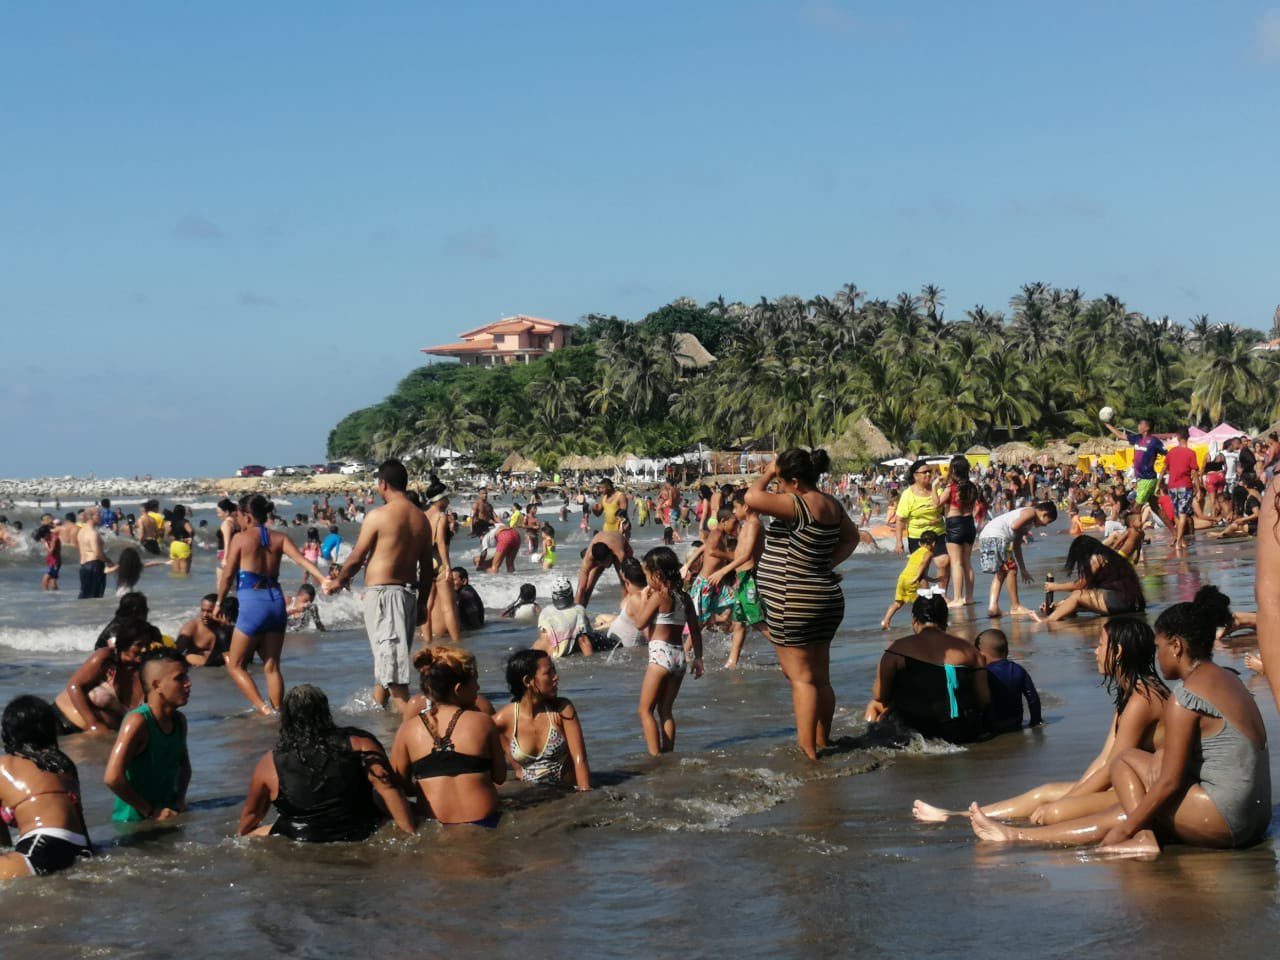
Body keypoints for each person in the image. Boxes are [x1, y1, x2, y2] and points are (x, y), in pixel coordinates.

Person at [968, 602, 1271, 854]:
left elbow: (1169, 784)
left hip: (1225, 819)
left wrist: (1127, 829)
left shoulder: (1185, 698)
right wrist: (1159, 756)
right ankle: (1013, 835)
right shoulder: (1231, 680)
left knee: (1124, 781)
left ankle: (1137, 838)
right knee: (1125, 804)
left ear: (1177, 646)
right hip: (1257, 818)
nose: (1157, 655)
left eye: (1160, 646)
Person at [914, 616, 1169, 825]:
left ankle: (971, 821)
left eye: (1101, 645)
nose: (1095, 651)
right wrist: (1074, 794)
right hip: (1125, 785)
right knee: (1044, 793)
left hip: (1141, 793)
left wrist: (1066, 803)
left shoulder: (1142, 700)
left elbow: (1113, 767)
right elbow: (1103, 761)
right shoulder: (1131, 695)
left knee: (1054, 813)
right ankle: (958, 816)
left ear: (1118, 651)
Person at [747, 449, 860, 760]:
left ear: (794, 481)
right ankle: (822, 740)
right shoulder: (832, 504)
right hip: (825, 597)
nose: (778, 487)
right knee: (820, 677)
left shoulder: (797, 503)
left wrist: (769, 471)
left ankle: (808, 751)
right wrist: (822, 563)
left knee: (801, 679)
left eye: (782, 482)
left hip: (792, 600)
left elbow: (752, 498)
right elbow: (852, 538)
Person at [237, 684, 415, 841]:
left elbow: (251, 815)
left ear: (287, 719)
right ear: (325, 712)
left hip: (301, 837)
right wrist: (409, 834)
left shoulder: (270, 762)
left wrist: (240, 838)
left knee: (252, 834)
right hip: (358, 830)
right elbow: (388, 787)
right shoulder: (360, 743)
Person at [327, 460, 434, 714]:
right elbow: (427, 569)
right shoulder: (421, 519)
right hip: (408, 594)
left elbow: (357, 556)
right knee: (388, 661)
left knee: (394, 672)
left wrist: (338, 581)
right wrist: (422, 603)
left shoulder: (379, 516)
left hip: (386, 596)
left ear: (383, 484)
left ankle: (416, 731)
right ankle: (380, 716)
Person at [217, 494, 330, 716]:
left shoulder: (241, 538)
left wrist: (219, 601)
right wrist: (322, 578)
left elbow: (228, 574)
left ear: (248, 516)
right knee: (272, 666)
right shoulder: (280, 537)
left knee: (235, 664)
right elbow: (302, 560)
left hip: (252, 603)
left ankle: (264, 709)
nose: (238, 520)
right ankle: (279, 711)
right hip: (276, 602)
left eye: (239, 515)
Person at [390, 647, 505, 826]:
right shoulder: (483, 722)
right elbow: (500, 776)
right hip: (486, 822)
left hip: (434, 825)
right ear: (458, 689)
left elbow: (397, 785)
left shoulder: (407, 730)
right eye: (474, 682)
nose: (478, 688)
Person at [866, 592, 990, 744]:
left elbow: (880, 695)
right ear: (945, 619)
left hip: (915, 732)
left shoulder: (897, 649)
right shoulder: (969, 650)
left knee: (874, 705)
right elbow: (984, 699)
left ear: (914, 620)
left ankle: (869, 740)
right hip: (961, 731)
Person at [0, 696, 93, 879]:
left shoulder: (3, 765)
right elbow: (78, 818)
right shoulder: (64, 765)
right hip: (79, 848)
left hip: (39, 848)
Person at [104, 649, 192, 823]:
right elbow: (112, 778)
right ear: (156, 685)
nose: (188, 684)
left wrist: (180, 799)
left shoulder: (179, 720)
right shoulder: (138, 722)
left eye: (187, 677)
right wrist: (150, 811)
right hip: (133, 825)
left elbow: (184, 768)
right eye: (179, 678)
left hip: (166, 816)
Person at [634, 547, 704, 755]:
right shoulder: (684, 598)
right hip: (679, 656)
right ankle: (668, 754)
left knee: (645, 711)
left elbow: (639, 623)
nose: (646, 579)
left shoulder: (657, 597)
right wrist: (698, 658)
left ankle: (656, 758)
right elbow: (695, 629)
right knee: (665, 711)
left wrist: (645, 598)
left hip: (660, 656)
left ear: (657, 575)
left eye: (646, 574)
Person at [493, 650, 591, 789]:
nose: (556, 677)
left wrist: (586, 796)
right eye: (548, 673)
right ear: (528, 681)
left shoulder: (562, 709)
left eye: (554, 671)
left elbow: (580, 760)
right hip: (535, 800)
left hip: (568, 795)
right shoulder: (502, 720)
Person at [706, 489, 772, 667]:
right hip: (741, 578)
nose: (734, 512)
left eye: (736, 507)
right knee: (739, 621)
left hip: (749, 577)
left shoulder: (754, 524)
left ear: (746, 506)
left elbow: (746, 555)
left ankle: (786, 650)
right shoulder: (746, 525)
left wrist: (722, 571)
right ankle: (732, 662)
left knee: (756, 619)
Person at [54, 619, 151, 733]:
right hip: (59, 722)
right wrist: (93, 724)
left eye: (147, 645)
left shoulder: (146, 672)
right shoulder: (106, 658)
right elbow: (74, 686)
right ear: (124, 644)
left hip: (88, 739)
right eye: (139, 645)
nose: (145, 649)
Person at [978, 502, 1057, 618]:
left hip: (987, 537)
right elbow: (1015, 526)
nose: (1045, 526)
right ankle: (1015, 606)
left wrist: (1023, 569)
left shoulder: (1027, 523)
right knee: (1011, 569)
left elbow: (1016, 546)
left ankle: (993, 607)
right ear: (1044, 514)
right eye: (1048, 522)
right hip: (997, 537)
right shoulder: (1030, 512)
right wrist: (1023, 532)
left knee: (1001, 572)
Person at [1043, 536, 1145, 621]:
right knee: (1074, 599)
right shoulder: (1110, 555)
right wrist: (1061, 605)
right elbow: (1088, 591)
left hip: (1120, 601)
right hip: (1130, 602)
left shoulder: (1097, 558)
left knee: (1077, 595)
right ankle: (1057, 612)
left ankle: (1048, 621)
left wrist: (1055, 587)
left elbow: (1080, 585)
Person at [895, 460, 950, 594]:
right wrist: (899, 542)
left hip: (938, 533)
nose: (928, 474)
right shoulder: (908, 495)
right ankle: (925, 595)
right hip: (917, 536)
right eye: (924, 472)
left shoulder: (937, 489)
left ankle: (942, 594)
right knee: (922, 567)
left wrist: (940, 517)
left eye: (929, 471)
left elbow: (946, 511)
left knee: (944, 561)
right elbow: (900, 519)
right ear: (915, 476)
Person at [1104, 416, 1169, 529]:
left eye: (1141, 424)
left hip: (1148, 479)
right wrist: (1108, 425)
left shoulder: (1154, 441)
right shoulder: (1137, 438)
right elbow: (1120, 435)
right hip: (1140, 479)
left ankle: (1133, 537)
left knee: (1135, 510)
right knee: (1156, 509)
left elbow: (1167, 454)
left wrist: (1165, 469)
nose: (1138, 426)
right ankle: (1175, 533)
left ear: (1147, 428)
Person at [976, 628, 1041, 734]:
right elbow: (1033, 698)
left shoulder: (984, 674)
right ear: (1007, 651)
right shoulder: (1019, 670)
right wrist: (1035, 721)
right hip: (1015, 722)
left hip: (992, 726)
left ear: (981, 655)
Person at [423, 477, 462, 645]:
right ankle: (457, 643)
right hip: (438, 562)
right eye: (446, 498)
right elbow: (440, 542)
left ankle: (427, 642)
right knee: (448, 607)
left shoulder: (423, 515)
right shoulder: (441, 517)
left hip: (424, 562)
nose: (448, 501)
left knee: (427, 605)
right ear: (439, 499)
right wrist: (447, 566)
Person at [935, 455, 978, 606]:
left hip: (954, 524)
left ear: (953, 470)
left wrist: (935, 486)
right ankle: (969, 597)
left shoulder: (951, 488)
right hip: (969, 524)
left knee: (956, 563)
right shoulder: (972, 487)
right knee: (967, 562)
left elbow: (936, 504)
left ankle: (958, 598)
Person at [881, 530, 940, 630]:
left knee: (898, 603)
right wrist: (917, 577)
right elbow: (923, 564)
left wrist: (932, 579)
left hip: (902, 579)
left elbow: (918, 569)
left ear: (919, 543)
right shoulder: (929, 553)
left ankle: (885, 621)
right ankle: (917, 622)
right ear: (933, 544)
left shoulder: (915, 552)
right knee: (920, 603)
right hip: (913, 580)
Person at [536, 578, 594, 658]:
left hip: (549, 654)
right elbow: (583, 639)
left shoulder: (545, 612)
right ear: (570, 593)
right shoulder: (578, 609)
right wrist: (591, 660)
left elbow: (543, 638)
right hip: (567, 654)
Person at [1164, 427, 1201, 551]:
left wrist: (1159, 484)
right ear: (1188, 437)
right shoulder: (1191, 453)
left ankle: (1182, 540)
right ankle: (1178, 541)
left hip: (1172, 486)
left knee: (1176, 513)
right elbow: (1194, 472)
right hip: (1185, 485)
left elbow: (1164, 468)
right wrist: (1198, 488)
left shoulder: (1171, 452)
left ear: (1178, 437)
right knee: (1183, 513)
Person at [573, 530, 632, 607]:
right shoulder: (588, 559)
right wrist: (575, 611)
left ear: (610, 555)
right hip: (601, 548)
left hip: (620, 545)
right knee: (587, 590)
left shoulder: (620, 555)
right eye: (602, 564)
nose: (606, 566)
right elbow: (580, 588)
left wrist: (623, 613)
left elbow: (624, 585)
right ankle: (580, 613)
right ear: (596, 561)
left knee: (628, 584)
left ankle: (628, 611)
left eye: (607, 561)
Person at [77, 506, 112, 599]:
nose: (101, 516)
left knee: (85, 595)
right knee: (96, 597)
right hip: (94, 566)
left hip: (84, 567)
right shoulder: (93, 533)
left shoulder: (81, 531)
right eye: (99, 514)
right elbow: (97, 554)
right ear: (92, 516)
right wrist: (109, 561)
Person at [165, 505, 194, 575]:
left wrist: (173, 538)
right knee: (184, 573)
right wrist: (189, 539)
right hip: (183, 545)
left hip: (174, 545)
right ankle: (184, 585)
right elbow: (191, 531)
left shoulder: (171, 522)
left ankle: (176, 585)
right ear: (183, 513)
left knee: (175, 572)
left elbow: (167, 533)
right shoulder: (184, 521)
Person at [35, 523, 61, 591]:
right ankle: (55, 596)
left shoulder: (54, 539)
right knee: (52, 581)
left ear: (47, 533)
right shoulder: (49, 538)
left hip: (55, 562)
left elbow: (51, 551)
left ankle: (45, 596)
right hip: (51, 561)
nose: (43, 538)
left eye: (43, 536)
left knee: (45, 580)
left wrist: (45, 543)